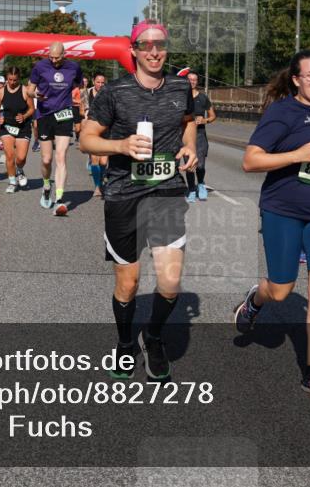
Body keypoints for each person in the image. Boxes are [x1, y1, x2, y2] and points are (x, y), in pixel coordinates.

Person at [234, 50, 310, 401]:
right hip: (283, 210)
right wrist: (295, 156)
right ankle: (254, 301)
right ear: (296, 79)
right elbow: (250, 160)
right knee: (280, 291)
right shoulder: (281, 112)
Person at [81, 20, 198, 380]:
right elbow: (86, 138)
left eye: (159, 44)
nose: (153, 51)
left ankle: (155, 336)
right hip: (123, 194)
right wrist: (120, 145)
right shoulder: (114, 92)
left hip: (166, 192)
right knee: (129, 282)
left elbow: (189, 121)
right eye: (145, 45)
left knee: (169, 281)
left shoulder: (180, 86)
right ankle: (125, 342)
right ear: (132, 51)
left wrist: (189, 144)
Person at [26, 42, 83, 215]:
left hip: (64, 114)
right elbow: (29, 90)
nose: (54, 60)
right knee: (46, 159)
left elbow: (78, 85)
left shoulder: (74, 67)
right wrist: (35, 95)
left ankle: (59, 200)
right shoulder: (40, 66)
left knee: (61, 156)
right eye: (51, 56)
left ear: (64, 54)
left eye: (57, 57)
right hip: (44, 115)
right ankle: (45, 185)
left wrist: (73, 97)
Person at [0, 67, 34, 193]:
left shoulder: (25, 90)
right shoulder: (1, 91)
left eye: (15, 80)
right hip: (7, 126)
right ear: (6, 78)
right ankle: (12, 181)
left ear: (19, 78)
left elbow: (32, 109)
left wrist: (24, 116)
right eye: (10, 79)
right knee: (9, 155)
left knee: (20, 158)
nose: (12, 82)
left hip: (23, 128)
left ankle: (19, 170)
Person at [183, 71, 216, 203]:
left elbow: (213, 116)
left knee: (200, 165)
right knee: (190, 164)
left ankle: (201, 184)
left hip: (200, 135)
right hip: (185, 135)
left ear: (197, 82)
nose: (192, 82)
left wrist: (204, 120)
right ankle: (191, 189)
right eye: (190, 79)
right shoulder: (181, 97)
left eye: (194, 80)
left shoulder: (203, 98)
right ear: (186, 81)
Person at [84, 72, 109, 197]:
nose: (100, 84)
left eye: (102, 82)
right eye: (98, 82)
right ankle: (98, 187)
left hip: (105, 129)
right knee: (95, 159)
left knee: (104, 162)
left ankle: (102, 179)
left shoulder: (109, 94)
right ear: (93, 81)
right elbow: (81, 109)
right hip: (91, 130)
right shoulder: (87, 93)